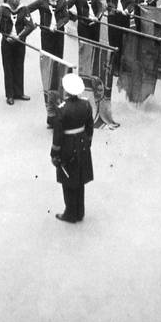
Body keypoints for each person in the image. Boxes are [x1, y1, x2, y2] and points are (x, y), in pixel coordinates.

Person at [51, 73, 94, 223]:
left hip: (68, 146)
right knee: (80, 179)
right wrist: (87, 142)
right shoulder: (86, 104)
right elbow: (89, 126)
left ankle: (70, 213)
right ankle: (79, 211)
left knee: (68, 180)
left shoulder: (62, 109)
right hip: (82, 144)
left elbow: (58, 135)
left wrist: (54, 153)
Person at [0, 0, 35, 105]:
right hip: (7, 43)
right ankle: (10, 95)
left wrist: (20, 37)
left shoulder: (24, 9)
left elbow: (30, 25)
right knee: (8, 68)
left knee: (19, 66)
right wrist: (5, 36)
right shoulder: (3, 10)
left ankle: (19, 92)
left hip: (20, 42)